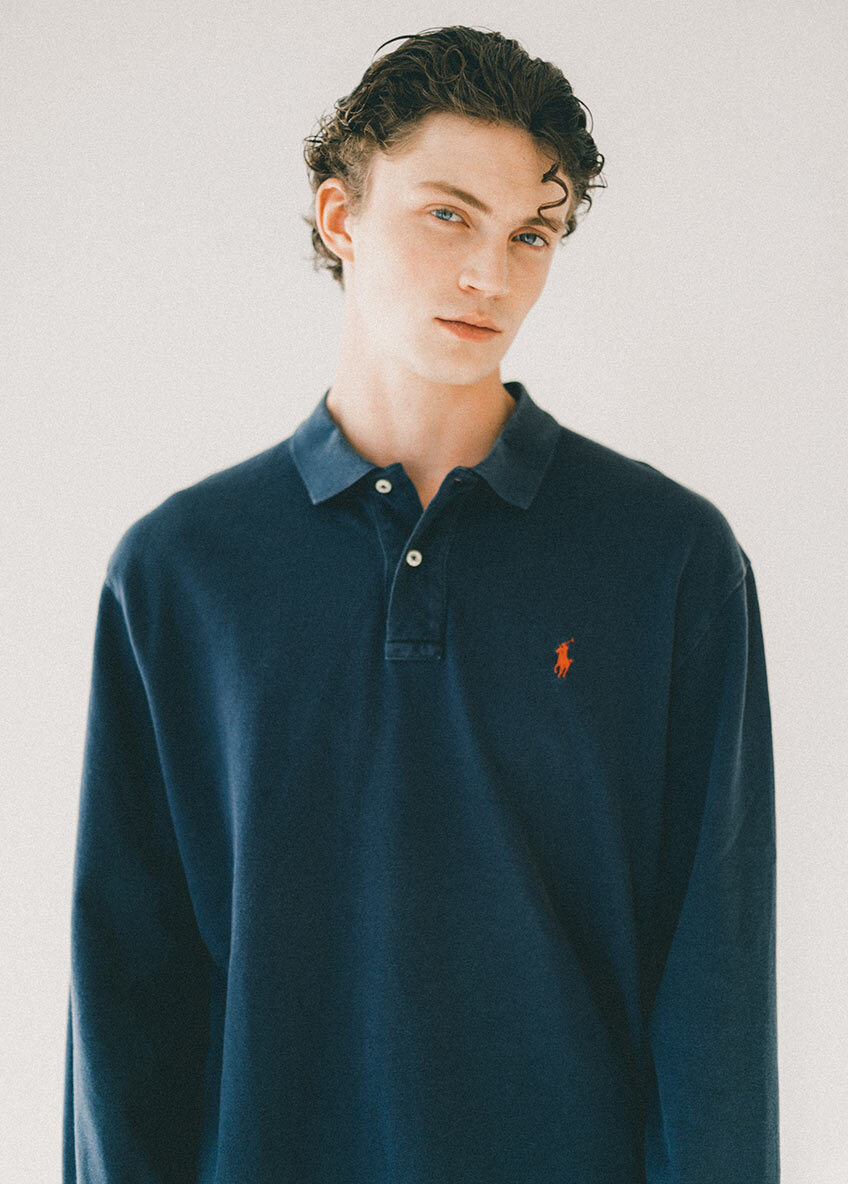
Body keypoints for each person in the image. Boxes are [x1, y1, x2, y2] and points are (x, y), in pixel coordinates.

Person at [62, 25, 779, 1183]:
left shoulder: (668, 560)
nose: (490, 274)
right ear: (338, 216)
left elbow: (715, 992)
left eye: (530, 233)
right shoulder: (178, 574)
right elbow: (125, 1005)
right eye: (447, 214)